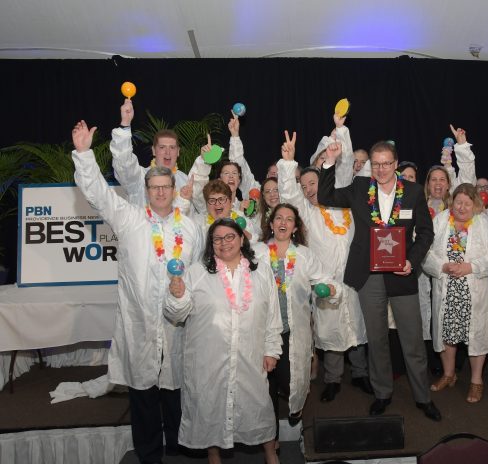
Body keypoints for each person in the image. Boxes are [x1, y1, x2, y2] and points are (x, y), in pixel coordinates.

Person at [71, 120, 204, 463]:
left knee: (176, 393)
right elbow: (97, 193)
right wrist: (85, 155)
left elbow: (199, 275)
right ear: (146, 190)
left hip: (177, 326)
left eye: (165, 187)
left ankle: (180, 450)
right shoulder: (128, 218)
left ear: (174, 190)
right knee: (143, 395)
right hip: (140, 326)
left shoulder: (189, 228)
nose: (160, 192)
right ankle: (148, 454)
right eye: (154, 187)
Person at [318, 139, 442, 421]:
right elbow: (325, 196)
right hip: (369, 274)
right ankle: (382, 393)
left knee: (412, 340)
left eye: (388, 163)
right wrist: (328, 161)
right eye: (377, 164)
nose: (383, 169)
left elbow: (425, 233)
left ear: (396, 164)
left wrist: (412, 259)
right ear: (371, 166)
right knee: (376, 339)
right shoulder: (360, 188)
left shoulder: (412, 192)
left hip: (402, 273)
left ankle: (423, 397)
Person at [165, 219, 281, 464]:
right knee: (209, 408)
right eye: (217, 238)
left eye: (230, 236)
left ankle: (271, 454)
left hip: (249, 356)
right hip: (209, 359)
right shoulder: (196, 272)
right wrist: (176, 296)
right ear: (211, 244)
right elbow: (177, 314)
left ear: (241, 239)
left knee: (259, 405)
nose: (224, 242)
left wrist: (272, 349)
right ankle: (213, 457)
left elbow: (272, 315)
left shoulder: (261, 272)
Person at [276, 131, 369, 403]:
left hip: (353, 276)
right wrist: (288, 163)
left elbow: (343, 170)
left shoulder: (343, 203)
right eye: (303, 186)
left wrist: (339, 134)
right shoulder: (305, 212)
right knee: (329, 330)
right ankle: (332, 380)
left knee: (357, 326)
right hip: (325, 280)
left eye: (312, 183)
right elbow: (289, 194)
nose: (308, 190)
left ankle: (361, 374)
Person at [259, 203, 338, 440]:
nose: (283, 223)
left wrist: (329, 289)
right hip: (261, 332)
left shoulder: (304, 254)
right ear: (271, 224)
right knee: (264, 387)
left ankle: (295, 408)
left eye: (289, 219)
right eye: (279, 218)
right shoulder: (256, 252)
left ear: (295, 227)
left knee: (290, 379)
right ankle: (270, 439)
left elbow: (325, 280)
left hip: (293, 331)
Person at [422, 184, 488, 403]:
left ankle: (476, 381)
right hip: (447, 287)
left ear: (475, 204)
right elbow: (426, 250)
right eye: (458, 202)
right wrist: (442, 266)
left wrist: (471, 267)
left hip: (473, 288)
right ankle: (449, 375)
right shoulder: (440, 220)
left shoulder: (483, 222)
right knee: (447, 331)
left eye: (467, 203)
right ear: (452, 202)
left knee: (476, 336)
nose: (462, 207)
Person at [110, 98, 207, 212]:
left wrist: (205, 162)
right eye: (162, 147)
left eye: (172, 147)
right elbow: (124, 163)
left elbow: (199, 214)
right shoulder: (139, 178)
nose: (167, 152)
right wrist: (125, 124)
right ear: (154, 151)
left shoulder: (186, 181)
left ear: (178, 151)